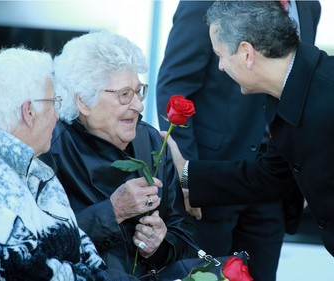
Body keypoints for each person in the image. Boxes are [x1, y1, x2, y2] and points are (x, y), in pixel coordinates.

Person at [156, 1, 321, 280]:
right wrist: (187, 178)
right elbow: (175, 85)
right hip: (212, 178)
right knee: (203, 274)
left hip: (275, 184)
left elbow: (299, 92)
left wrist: (305, 170)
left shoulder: (309, 7)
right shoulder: (205, 4)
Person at [40, 31, 197, 279]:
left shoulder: (152, 141)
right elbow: (42, 243)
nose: (138, 105)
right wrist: (113, 212)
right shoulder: (51, 149)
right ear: (84, 101)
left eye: (138, 91)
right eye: (125, 94)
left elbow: (185, 236)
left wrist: (160, 245)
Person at [0, 47, 110, 281]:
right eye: (54, 103)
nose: (57, 116)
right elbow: (24, 273)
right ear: (29, 111)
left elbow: (84, 250)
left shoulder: (35, 168)